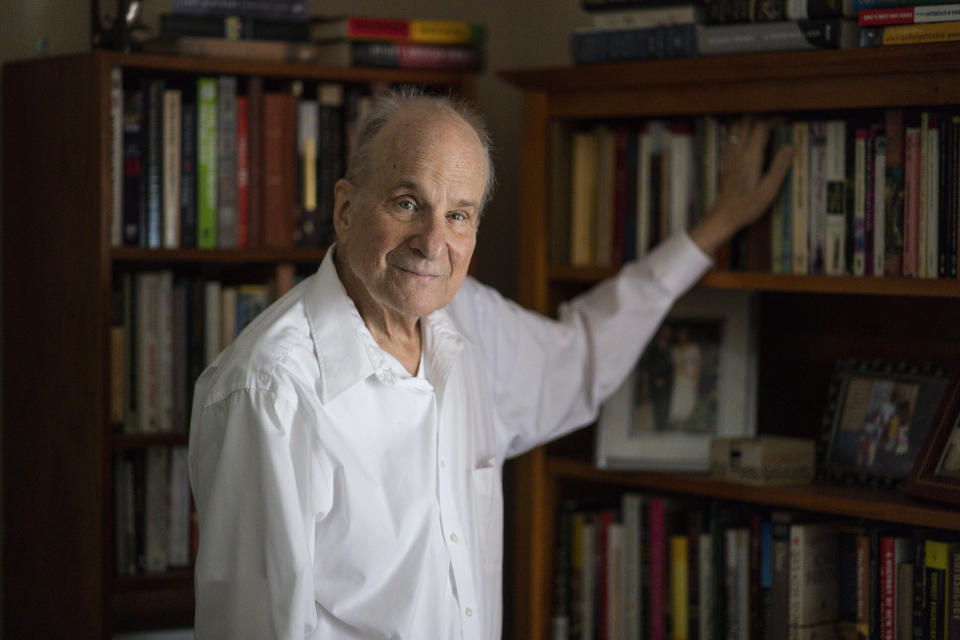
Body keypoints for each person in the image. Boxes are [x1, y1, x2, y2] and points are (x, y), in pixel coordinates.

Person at [187, 89, 792, 639]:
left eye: (458, 215)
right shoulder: (269, 390)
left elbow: (580, 359)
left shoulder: (466, 322)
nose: (432, 243)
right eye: (406, 203)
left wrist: (717, 226)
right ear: (345, 210)